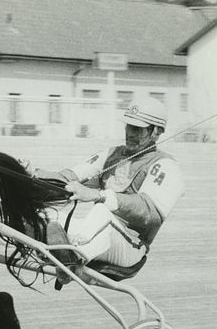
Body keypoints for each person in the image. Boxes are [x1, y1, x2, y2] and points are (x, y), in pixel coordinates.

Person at [30, 96, 185, 274]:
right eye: (129, 126)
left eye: (138, 129)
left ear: (156, 132)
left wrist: (99, 195)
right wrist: (32, 174)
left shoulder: (166, 165)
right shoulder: (112, 154)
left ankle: (72, 258)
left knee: (101, 212)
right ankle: (61, 250)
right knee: (48, 215)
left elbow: (149, 212)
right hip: (92, 235)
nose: (130, 133)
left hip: (130, 247)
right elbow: (69, 178)